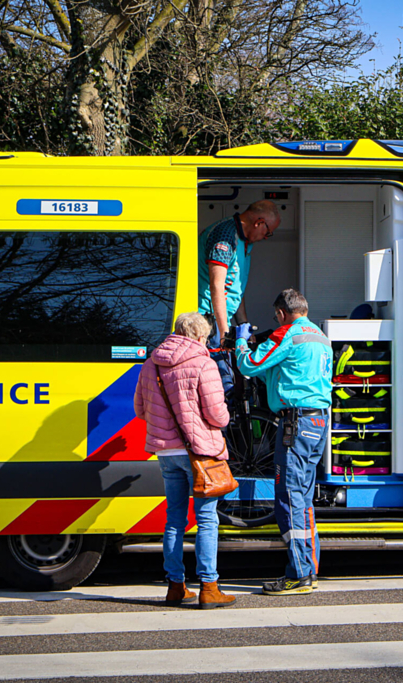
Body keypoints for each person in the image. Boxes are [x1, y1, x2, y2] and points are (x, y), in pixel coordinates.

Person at [133, 312, 236, 609]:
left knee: (174, 520)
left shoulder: (151, 364)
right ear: (200, 336)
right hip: (198, 452)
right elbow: (217, 415)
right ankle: (209, 587)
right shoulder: (204, 363)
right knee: (207, 520)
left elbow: (140, 409)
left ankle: (175, 586)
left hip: (166, 452)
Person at [234, 289, 332, 595]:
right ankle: (309, 571)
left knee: (288, 498)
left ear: (281, 313)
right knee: (303, 499)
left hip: (295, 424)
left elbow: (248, 365)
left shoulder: (286, 333)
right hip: (318, 422)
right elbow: (286, 373)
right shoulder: (320, 336)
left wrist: (240, 341)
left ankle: (299, 575)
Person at [198, 200, 281, 392]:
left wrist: (244, 326)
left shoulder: (245, 242)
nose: (266, 237)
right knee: (222, 383)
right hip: (207, 322)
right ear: (259, 223)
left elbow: (236, 288)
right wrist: (224, 333)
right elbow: (217, 285)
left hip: (221, 320)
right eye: (268, 232)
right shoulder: (225, 237)